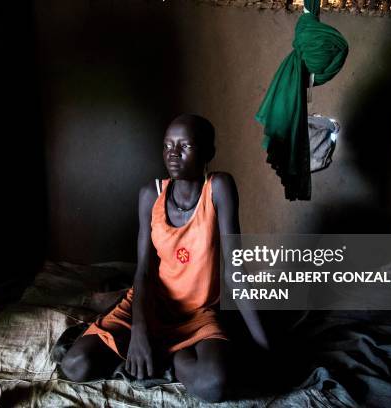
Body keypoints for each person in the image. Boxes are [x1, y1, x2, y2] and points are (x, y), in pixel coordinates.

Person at [60, 114, 269, 402]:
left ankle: (171, 356)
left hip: (198, 312)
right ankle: (149, 342)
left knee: (214, 385)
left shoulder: (218, 188)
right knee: (75, 365)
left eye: (186, 146)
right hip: (150, 304)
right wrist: (139, 331)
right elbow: (144, 270)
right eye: (168, 145)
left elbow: (235, 269)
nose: (173, 153)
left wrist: (263, 345)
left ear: (208, 153)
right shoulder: (150, 194)